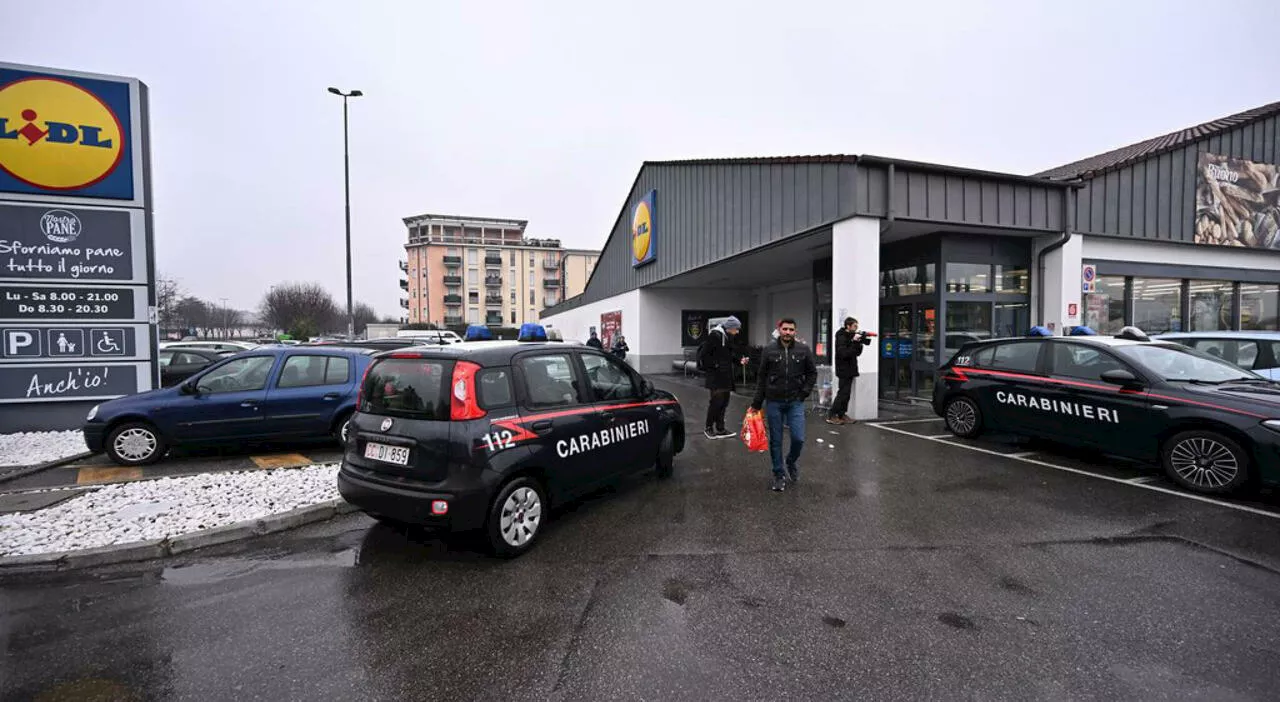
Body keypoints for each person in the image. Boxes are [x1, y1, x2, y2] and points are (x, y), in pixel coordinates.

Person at [750, 318, 817, 492]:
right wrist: (757, 403)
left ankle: (791, 461)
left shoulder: (803, 350)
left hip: (795, 401)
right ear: (779, 330)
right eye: (785, 329)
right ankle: (778, 474)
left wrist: (804, 392)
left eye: (791, 330)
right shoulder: (769, 350)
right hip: (774, 401)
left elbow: (812, 373)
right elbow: (762, 377)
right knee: (776, 441)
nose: (788, 332)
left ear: (795, 331)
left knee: (798, 438)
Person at [698, 316, 748, 439]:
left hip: (726, 376)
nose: (737, 332)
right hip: (716, 377)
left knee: (724, 402)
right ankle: (708, 428)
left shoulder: (727, 338)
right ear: (730, 328)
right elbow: (704, 356)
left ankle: (720, 428)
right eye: (736, 329)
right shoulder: (715, 336)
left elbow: (729, 354)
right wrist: (715, 365)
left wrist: (739, 361)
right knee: (716, 402)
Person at [827, 317, 871, 425]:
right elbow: (844, 353)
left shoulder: (852, 336)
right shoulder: (841, 336)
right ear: (848, 326)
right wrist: (854, 342)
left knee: (847, 394)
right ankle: (832, 415)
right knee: (842, 393)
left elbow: (857, 352)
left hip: (851, 368)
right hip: (843, 369)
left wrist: (859, 342)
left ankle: (842, 414)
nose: (856, 328)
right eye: (855, 326)